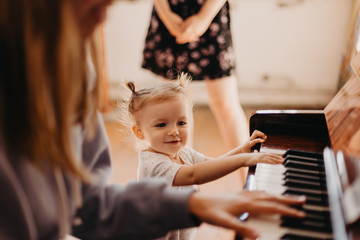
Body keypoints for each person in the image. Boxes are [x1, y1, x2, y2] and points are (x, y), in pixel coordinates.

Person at [0, 0, 306, 240]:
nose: (102, 21)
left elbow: (88, 204)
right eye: (95, 7)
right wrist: (235, 168)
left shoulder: (75, 68)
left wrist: (240, 155)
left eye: (108, 6)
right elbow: (193, 175)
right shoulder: (154, 162)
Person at [122, 73, 284, 240]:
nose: (174, 131)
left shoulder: (182, 152)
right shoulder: (153, 165)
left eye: (181, 122)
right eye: (161, 125)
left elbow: (215, 164)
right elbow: (194, 175)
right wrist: (244, 160)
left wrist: (241, 150)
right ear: (139, 132)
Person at [141, 0, 250, 186]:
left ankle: (250, 183)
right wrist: (167, 16)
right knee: (174, 107)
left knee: (226, 105)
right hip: (169, 12)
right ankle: (184, 189)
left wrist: (203, 18)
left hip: (211, 12)